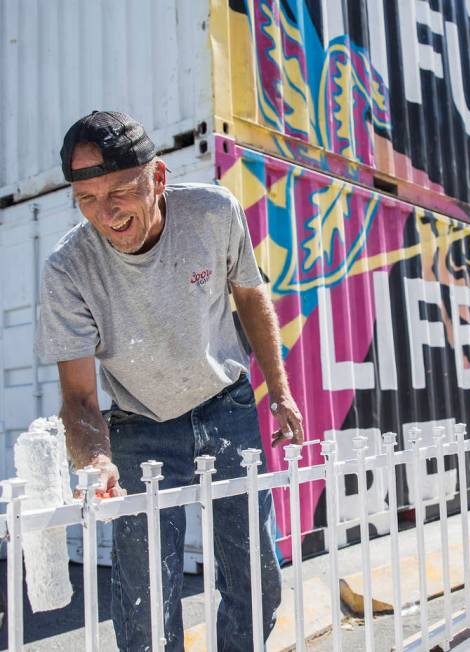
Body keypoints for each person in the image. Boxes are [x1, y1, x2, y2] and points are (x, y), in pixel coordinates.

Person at [34, 111, 304, 651]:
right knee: (144, 609)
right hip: (139, 427)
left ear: (157, 178)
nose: (105, 214)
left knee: (257, 583)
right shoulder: (68, 269)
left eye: (119, 192)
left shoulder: (211, 213)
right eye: (86, 199)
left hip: (225, 409)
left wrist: (279, 393)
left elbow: (250, 297)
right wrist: (95, 461)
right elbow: (81, 398)